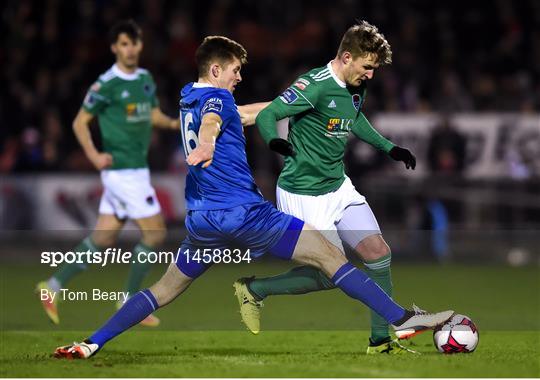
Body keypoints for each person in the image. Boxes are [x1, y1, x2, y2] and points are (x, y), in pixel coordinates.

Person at [53, 35, 452, 359]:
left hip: (202, 222)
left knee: (164, 290)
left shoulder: (187, 95)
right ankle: (400, 319)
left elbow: (237, 115)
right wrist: (208, 144)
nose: (239, 77)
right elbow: (215, 119)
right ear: (216, 69)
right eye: (235, 70)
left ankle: (91, 343)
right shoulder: (216, 100)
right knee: (333, 260)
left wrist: (290, 108)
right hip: (244, 215)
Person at [232, 21, 419, 354]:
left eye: (374, 69)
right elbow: (270, 113)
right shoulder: (314, 85)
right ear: (347, 57)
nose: (371, 75)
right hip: (303, 193)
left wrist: (390, 148)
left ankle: (380, 341)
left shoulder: (355, 83)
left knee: (378, 254)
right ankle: (255, 288)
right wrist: (274, 140)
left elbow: (354, 118)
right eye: (367, 67)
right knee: (330, 274)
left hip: (338, 186)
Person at [36, 20, 179, 327]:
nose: (129, 49)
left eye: (134, 43)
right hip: (122, 173)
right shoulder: (106, 84)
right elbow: (79, 122)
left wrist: (172, 123)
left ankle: (52, 286)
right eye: (123, 44)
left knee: (102, 237)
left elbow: (152, 113)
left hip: (135, 171)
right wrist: (94, 155)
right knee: (156, 234)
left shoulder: (145, 79)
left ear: (140, 46)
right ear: (115, 47)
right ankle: (128, 300)